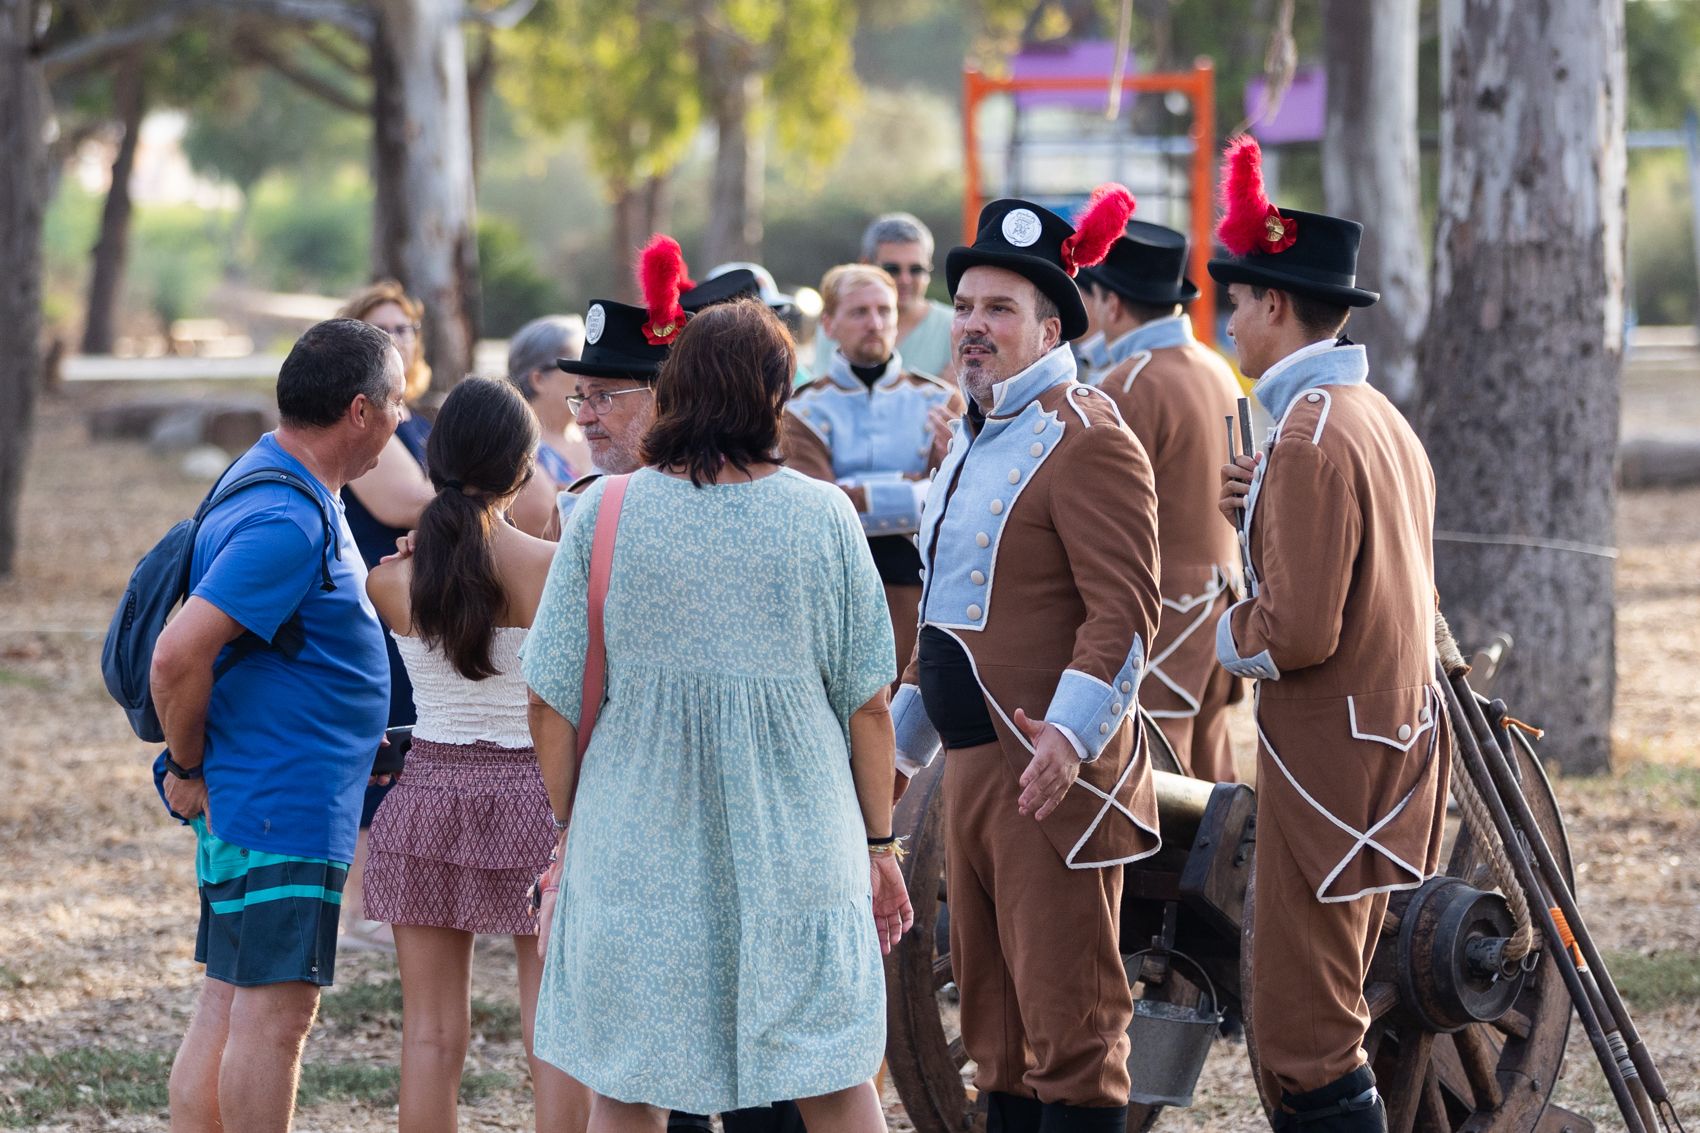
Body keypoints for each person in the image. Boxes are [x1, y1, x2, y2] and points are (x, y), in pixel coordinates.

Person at [522, 293, 912, 1133]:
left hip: (634, 840)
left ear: (675, 390)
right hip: (800, 841)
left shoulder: (605, 513)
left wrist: (570, 820)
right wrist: (880, 843)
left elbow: (548, 701)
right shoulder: (825, 516)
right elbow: (870, 707)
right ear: (774, 396)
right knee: (833, 1076)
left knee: (629, 1084)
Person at [890, 188, 1163, 1133]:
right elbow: (945, 624)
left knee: (1072, 1037)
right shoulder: (971, 438)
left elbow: (1125, 612)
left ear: (1051, 328)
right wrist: (897, 754)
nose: (972, 325)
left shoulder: (1088, 435)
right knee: (996, 1039)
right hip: (971, 773)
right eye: (964, 306)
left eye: (999, 309)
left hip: (1049, 779)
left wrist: (1071, 739)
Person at [1212, 136, 1449, 1133]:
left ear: (1274, 304)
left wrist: (1223, 632)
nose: (1228, 320)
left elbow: (1299, 630)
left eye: (1237, 300)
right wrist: (1256, 516)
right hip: (1385, 746)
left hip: (1330, 764)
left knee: (1304, 1034)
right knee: (1321, 1017)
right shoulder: (1372, 417)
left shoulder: (1307, 433)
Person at [153, 318, 401, 1133]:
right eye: (397, 401)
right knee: (274, 1018)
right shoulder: (286, 520)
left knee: (228, 1002)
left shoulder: (272, 477)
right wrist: (186, 764)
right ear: (360, 410)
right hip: (278, 808)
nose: (403, 418)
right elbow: (177, 655)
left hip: (264, 793)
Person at [362, 377, 588, 1133]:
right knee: (551, 1023)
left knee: (428, 1036)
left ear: (434, 463)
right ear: (524, 470)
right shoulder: (553, 567)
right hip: (538, 796)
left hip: (425, 794)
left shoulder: (389, 580)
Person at [1083, 221, 1244, 782]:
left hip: (1163, 610)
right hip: (1222, 597)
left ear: (1111, 302)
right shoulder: (1216, 366)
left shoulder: (1127, 383)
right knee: (1211, 769)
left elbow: (1102, 520)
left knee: (1156, 774)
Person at [784, 263, 963, 685]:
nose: (875, 323)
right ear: (829, 324)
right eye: (859, 312)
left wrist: (854, 492)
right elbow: (818, 509)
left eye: (884, 311)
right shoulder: (800, 409)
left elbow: (956, 504)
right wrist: (917, 489)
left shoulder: (941, 401)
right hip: (834, 593)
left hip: (919, 596)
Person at [336, 280, 438, 951]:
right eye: (382, 329)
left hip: (416, 606)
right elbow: (407, 500)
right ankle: (361, 910)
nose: (398, 338)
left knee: (409, 746)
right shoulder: (364, 421)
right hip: (376, 602)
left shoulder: (413, 418)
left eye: (405, 328)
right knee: (379, 746)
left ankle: (393, 898)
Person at [814, 212, 955, 378]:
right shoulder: (838, 321)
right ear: (865, 265)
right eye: (892, 269)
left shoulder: (956, 327)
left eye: (916, 269)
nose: (905, 279)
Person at [506, 315, 594, 537]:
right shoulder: (520, 453)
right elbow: (550, 537)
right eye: (577, 363)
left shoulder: (594, 432)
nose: (590, 371)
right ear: (538, 379)